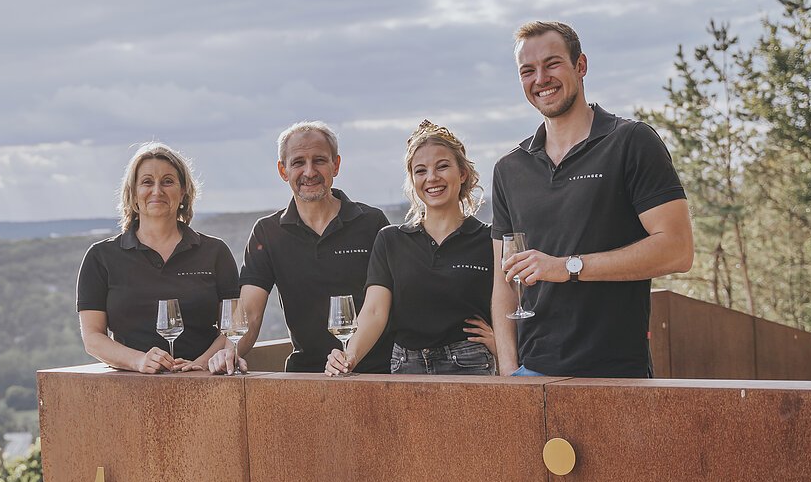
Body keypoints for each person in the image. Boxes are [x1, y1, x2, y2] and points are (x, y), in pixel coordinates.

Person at [492, 20, 694, 377]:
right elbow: (503, 283)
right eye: (528, 70)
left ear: (580, 65)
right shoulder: (509, 168)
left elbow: (678, 249)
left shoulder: (631, 141)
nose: (541, 78)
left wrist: (567, 267)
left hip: (616, 374)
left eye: (552, 63)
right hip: (531, 376)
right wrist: (509, 370)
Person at [208, 121, 393, 374]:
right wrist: (231, 353)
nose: (309, 171)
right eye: (298, 162)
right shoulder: (267, 232)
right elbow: (250, 313)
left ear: (335, 165)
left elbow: (383, 305)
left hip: (377, 373)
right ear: (283, 170)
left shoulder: (372, 223)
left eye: (319, 160)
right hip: (304, 377)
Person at [325, 120, 496, 376]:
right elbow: (374, 311)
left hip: (470, 363)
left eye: (442, 166)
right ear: (412, 180)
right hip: (407, 367)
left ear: (462, 174)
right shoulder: (390, 240)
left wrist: (501, 345)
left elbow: (511, 304)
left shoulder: (490, 239)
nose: (432, 178)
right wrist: (349, 358)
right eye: (420, 171)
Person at [76, 142, 239, 373]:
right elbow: (92, 337)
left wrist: (201, 364)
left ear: (183, 191)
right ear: (133, 194)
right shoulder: (101, 257)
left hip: (206, 381)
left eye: (168, 181)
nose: (157, 190)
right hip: (131, 390)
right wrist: (139, 361)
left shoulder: (215, 252)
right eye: (146, 182)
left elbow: (233, 329)